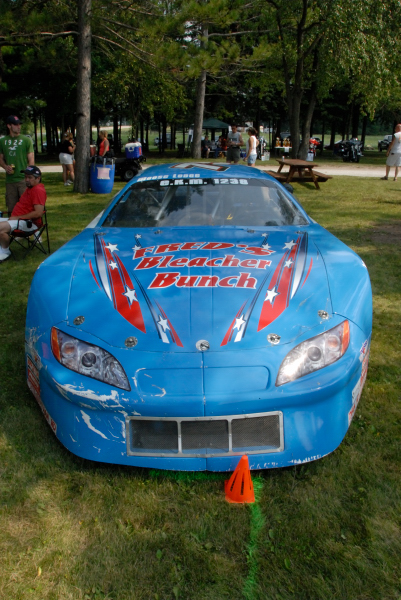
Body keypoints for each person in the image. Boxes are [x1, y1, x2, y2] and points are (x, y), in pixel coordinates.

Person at [0, 166, 46, 263]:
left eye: (30, 178)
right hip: (18, 220)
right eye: (25, 177)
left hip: (28, 223)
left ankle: (5, 252)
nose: (26, 180)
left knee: (1, 228)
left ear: (38, 178)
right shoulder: (30, 189)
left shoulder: (38, 190)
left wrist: (16, 217)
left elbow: (38, 213)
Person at [0, 115, 35, 213]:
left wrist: (29, 176)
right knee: (12, 208)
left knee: (26, 206)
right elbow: (0, 158)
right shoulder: (2, 141)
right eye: (15, 125)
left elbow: (31, 159)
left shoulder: (26, 140)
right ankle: (13, 227)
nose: (18, 126)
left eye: (19, 124)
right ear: (9, 126)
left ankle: (26, 227)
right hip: (10, 181)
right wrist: (5, 167)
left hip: (23, 179)